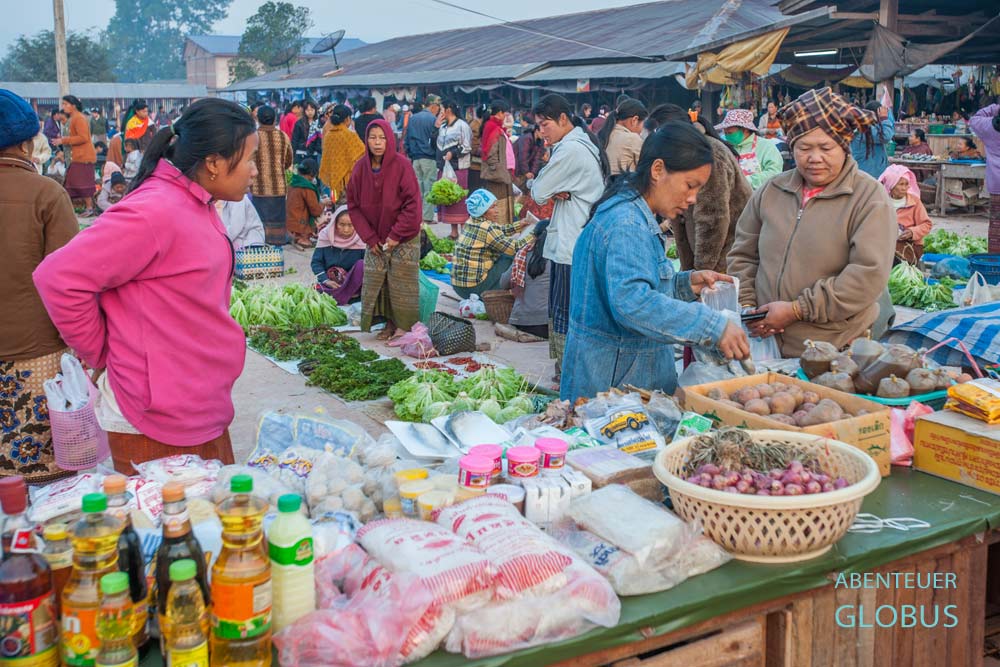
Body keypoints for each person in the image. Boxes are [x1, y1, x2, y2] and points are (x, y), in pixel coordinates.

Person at [35, 99, 255, 474]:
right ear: (215, 163)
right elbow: (59, 278)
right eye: (249, 158)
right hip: (156, 414)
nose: (253, 170)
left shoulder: (197, 203)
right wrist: (103, 353)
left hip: (198, 402)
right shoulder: (155, 210)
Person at [560, 123, 750, 402]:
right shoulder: (626, 223)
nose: (693, 198)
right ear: (658, 170)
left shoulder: (635, 215)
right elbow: (632, 303)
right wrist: (711, 326)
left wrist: (685, 285)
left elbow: (635, 285)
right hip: (612, 388)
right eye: (690, 185)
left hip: (621, 376)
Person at [728, 87, 897, 357]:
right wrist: (748, 308)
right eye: (804, 148)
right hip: (765, 342)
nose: (814, 158)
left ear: (844, 146)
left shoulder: (869, 198)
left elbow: (867, 276)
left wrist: (797, 310)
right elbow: (743, 255)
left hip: (835, 349)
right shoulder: (771, 191)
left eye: (826, 147)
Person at [0, 89, 79, 482]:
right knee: (45, 481)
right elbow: (70, 281)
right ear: (29, 143)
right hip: (38, 355)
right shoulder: (47, 193)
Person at [530, 94, 608, 381]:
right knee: (568, 310)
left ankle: (569, 372)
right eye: (538, 126)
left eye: (545, 124)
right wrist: (551, 186)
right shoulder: (577, 145)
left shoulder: (571, 150)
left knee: (567, 313)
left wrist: (549, 186)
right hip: (575, 238)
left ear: (563, 119)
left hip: (572, 243)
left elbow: (538, 191)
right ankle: (568, 370)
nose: (541, 132)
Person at [645, 104, 752, 274]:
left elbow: (713, 218)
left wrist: (702, 270)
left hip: (726, 258)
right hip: (704, 257)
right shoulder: (683, 153)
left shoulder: (708, 154)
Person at [347, 119, 422, 337]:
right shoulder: (360, 168)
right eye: (372, 137)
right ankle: (387, 323)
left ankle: (404, 326)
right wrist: (370, 238)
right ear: (366, 140)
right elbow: (354, 206)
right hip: (375, 236)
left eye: (382, 137)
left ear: (390, 139)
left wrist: (396, 235)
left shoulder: (402, 165)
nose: (377, 142)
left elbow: (412, 204)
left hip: (404, 235)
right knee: (377, 282)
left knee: (401, 282)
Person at [452, 189, 532, 298]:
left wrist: (519, 225)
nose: (497, 211)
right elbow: (515, 248)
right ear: (482, 211)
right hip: (473, 289)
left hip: (458, 288)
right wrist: (535, 234)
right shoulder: (488, 228)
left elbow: (499, 231)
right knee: (512, 257)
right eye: (492, 207)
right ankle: (505, 291)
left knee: (503, 253)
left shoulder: (471, 221)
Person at [497, 219, 550, 342]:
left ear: (533, 236)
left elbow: (503, 283)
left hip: (521, 322)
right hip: (550, 325)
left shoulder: (522, 254)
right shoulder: (559, 258)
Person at [252, 105, 294, 245]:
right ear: (275, 119)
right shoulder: (283, 136)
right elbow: (289, 160)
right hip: (279, 187)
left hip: (258, 187)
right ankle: (277, 246)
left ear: (258, 119)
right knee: (278, 222)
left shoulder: (253, 137)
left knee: (260, 221)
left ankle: (262, 245)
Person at [312, 205, 366, 305]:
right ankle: (342, 296)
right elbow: (316, 262)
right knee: (318, 289)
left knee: (362, 264)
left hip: (353, 287)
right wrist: (326, 280)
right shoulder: (325, 236)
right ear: (334, 223)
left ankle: (340, 295)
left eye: (351, 225)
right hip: (332, 283)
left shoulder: (361, 238)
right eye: (341, 224)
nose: (346, 229)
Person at [715, 109, 782, 190]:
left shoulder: (766, 146)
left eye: (730, 133)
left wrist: (745, 181)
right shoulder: (724, 146)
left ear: (745, 130)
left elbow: (775, 173)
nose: (726, 136)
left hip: (759, 198)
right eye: (725, 133)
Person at [52, 94, 96, 216]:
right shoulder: (74, 118)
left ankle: (89, 208)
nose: (64, 107)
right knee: (70, 184)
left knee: (82, 184)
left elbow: (84, 138)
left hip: (83, 157)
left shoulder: (79, 118)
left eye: (66, 104)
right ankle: (68, 209)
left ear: (74, 106)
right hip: (77, 157)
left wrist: (64, 140)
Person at [878, 164, 932, 263]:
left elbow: (927, 224)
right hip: (884, 242)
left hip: (909, 245)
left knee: (892, 254)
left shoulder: (914, 202)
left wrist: (912, 232)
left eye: (906, 184)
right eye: (900, 184)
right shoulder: (881, 201)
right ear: (891, 185)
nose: (904, 188)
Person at [436, 99, 473, 238]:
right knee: (448, 198)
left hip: (458, 168)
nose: (440, 113)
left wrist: (454, 153)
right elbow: (435, 144)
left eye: (441, 109)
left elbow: (467, 146)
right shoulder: (442, 127)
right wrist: (436, 127)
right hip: (444, 167)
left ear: (448, 110)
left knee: (459, 199)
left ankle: (464, 230)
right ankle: (453, 231)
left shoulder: (462, 126)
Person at [405, 94, 442, 224]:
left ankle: (417, 216)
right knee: (429, 187)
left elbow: (407, 138)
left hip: (415, 158)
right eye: (438, 107)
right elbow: (436, 140)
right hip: (428, 157)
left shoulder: (413, 118)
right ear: (433, 106)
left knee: (417, 188)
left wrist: (410, 153)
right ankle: (427, 217)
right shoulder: (433, 120)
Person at [479, 99, 517, 226]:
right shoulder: (492, 127)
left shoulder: (496, 127)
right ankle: (498, 230)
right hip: (498, 174)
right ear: (500, 113)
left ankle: (503, 230)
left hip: (502, 172)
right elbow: (490, 152)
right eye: (505, 114)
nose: (505, 116)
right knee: (498, 203)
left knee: (503, 203)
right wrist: (497, 169)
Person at [319, 104, 366, 203]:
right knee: (348, 209)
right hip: (349, 182)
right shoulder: (350, 136)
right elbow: (362, 153)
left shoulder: (328, 136)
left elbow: (326, 158)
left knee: (335, 206)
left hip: (333, 181)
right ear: (347, 119)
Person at [970, 101, 1000, 252]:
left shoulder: (988, 127)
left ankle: (995, 262)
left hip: (996, 186)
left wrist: (995, 108)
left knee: (996, 227)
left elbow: (975, 119)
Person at [286, 157, 329, 249]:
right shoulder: (307, 187)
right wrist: (324, 203)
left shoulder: (293, 183)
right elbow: (316, 211)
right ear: (312, 173)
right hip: (300, 227)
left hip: (289, 224)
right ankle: (303, 239)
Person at [597, 98, 648, 176]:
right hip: (625, 186)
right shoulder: (632, 138)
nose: (642, 130)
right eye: (642, 124)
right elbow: (648, 169)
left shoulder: (605, 135)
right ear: (634, 120)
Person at [850, 100, 895, 178]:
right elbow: (886, 136)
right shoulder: (864, 128)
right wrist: (884, 119)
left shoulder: (869, 127)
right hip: (866, 173)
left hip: (869, 172)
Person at [513, 124, 545, 191]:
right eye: (542, 133)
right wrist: (526, 171)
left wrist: (532, 172)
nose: (544, 135)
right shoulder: (527, 138)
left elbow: (537, 158)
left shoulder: (541, 140)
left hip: (526, 169)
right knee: (516, 189)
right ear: (537, 131)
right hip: (516, 165)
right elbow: (523, 156)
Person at [468, 104, 484, 192]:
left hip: (477, 165)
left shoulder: (475, 124)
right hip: (475, 165)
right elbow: (473, 147)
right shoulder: (476, 126)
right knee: (475, 189)